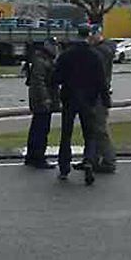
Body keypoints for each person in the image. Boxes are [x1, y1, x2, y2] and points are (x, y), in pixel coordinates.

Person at [53, 23, 109, 185]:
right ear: (89, 35)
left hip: (70, 97)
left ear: (77, 34)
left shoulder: (66, 55)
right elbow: (101, 80)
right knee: (89, 134)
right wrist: (105, 99)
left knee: (66, 134)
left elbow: (56, 78)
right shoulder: (94, 56)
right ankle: (89, 161)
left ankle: (64, 167)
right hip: (89, 99)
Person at [81, 25, 117, 174]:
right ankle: (92, 159)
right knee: (93, 129)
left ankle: (109, 160)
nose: (88, 39)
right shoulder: (104, 49)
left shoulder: (102, 51)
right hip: (96, 93)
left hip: (99, 95)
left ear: (97, 34)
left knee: (100, 129)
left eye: (91, 36)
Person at [24, 39, 59, 169]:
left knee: (36, 128)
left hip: (40, 100)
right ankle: (38, 157)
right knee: (41, 129)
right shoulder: (42, 61)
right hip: (42, 101)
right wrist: (46, 99)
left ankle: (32, 156)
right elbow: (39, 82)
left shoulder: (41, 59)